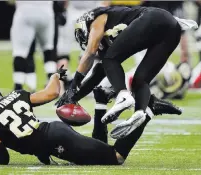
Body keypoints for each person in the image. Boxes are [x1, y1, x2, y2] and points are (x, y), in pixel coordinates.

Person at [0, 65, 181, 165]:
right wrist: (55, 76)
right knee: (99, 149)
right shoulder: (15, 95)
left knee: (116, 158)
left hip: (54, 141)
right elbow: (51, 93)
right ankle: (99, 101)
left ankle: (149, 111)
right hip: (54, 129)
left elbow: (2, 158)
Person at [64, 5, 197, 138]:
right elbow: (99, 73)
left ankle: (123, 96)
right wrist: (74, 96)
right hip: (172, 29)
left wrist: (73, 84)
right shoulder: (110, 37)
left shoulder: (97, 19)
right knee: (140, 80)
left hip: (155, 17)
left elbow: (90, 53)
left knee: (110, 60)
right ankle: (139, 112)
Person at [10, 1, 59, 91]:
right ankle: (53, 84)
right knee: (48, 48)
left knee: (19, 51)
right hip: (46, 11)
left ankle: (18, 87)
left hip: (25, 11)